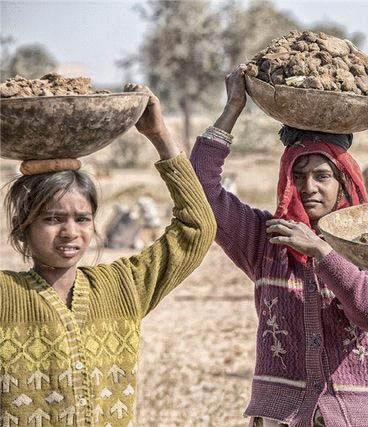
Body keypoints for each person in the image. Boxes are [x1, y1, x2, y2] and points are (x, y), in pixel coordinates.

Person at [189, 65, 368, 427]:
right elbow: (201, 191)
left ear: (343, 182)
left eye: (322, 176)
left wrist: (322, 252)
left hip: (353, 414)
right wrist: (232, 109)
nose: (309, 187)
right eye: (297, 176)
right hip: (280, 413)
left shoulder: (367, 240)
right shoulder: (266, 239)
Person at [0, 85, 215, 426]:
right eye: (53, 219)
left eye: (82, 218)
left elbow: (197, 228)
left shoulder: (123, 287)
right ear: (24, 226)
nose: (71, 232)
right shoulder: (6, 296)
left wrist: (160, 136)